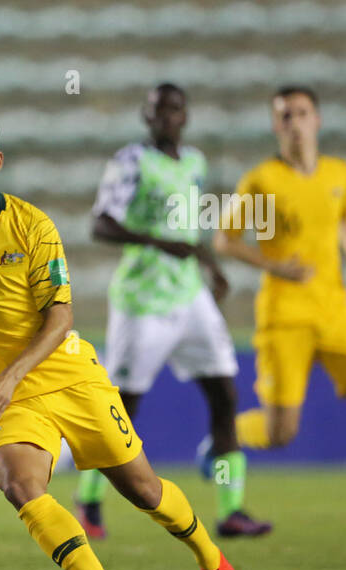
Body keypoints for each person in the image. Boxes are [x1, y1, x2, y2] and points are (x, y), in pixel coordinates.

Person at [0, 110, 249, 570]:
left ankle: (211, 559)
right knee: (18, 483)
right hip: (17, 396)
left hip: (70, 378)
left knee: (145, 492)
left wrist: (10, 374)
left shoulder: (34, 227)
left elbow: (61, 317)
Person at [216, 86, 346, 537]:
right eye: (285, 115)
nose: (294, 122)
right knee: (281, 432)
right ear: (276, 126)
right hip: (283, 313)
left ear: (318, 120)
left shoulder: (340, 173)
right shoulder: (259, 181)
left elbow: (343, 218)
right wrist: (275, 266)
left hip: (336, 309)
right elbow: (224, 239)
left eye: (301, 113)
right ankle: (222, 437)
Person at [76, 83, 270, 540]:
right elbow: (100, 223)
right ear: (147, 116)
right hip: (143, 301)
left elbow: (187, 228)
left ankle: (231, 509)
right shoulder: (132, 162)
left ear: (185, 116)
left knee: (225, 397)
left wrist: (209, 266)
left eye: (175, 109)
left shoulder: (196, 163)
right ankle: (88, 501)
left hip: (190, 297)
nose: (167, 116)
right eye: (158, 109)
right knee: (123, 408)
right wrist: (159, 243)